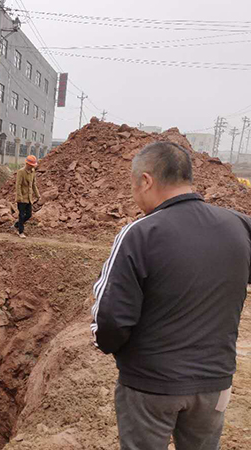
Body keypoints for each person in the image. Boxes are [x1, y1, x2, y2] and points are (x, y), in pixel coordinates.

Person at [90, 141, 251, 450]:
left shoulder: (140, 234)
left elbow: (111, 319)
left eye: (133, 186)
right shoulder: (239, 226)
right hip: (214, 384)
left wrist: (108, 346)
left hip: (150, 385)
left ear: (146, 181)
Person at [14, 155, 41, 238]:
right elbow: (18, 185)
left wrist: (38, 195)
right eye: (31, 165)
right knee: (21, 215)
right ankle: (20, 232)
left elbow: (33, 184)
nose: (32, 167)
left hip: (29, 198)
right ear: (27, 164)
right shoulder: (21, 172)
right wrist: (20, 197)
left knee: (29, 214)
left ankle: (17, 224)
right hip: (22, 197)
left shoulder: (33, 172)